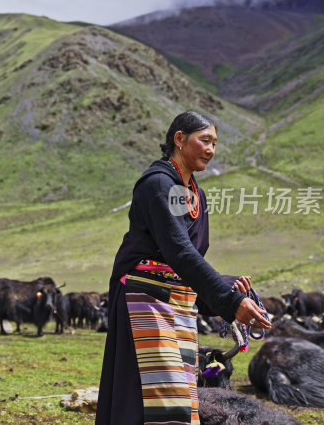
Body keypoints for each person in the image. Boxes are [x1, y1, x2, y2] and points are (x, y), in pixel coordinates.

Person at [95, 111, 271, 425]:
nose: (211, 150)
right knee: (152, 394)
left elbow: (184, 259)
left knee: (177, 393)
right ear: (179, 139)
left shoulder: (193, 194)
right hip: (142, 298)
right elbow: (177, 251)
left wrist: (229, 286)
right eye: (205, 140)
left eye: (215, 143)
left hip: (176, 301)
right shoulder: (158, 184)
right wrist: (229, 302)